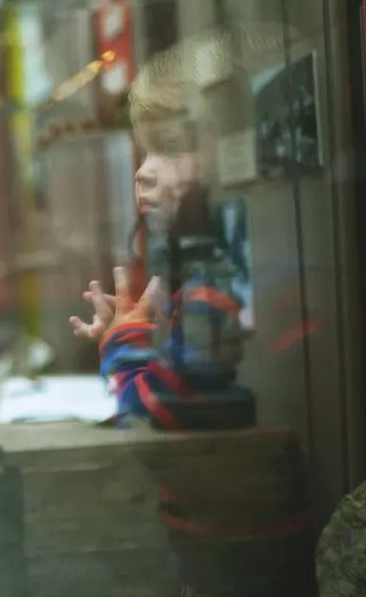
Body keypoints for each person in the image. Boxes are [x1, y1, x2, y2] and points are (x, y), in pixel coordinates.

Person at [68, 25, 314, 597]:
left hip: (233, 534)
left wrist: (123, 343)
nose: (143, 170)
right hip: (217, 521)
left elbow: (159, 416)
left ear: (229, 153)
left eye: (172, 147)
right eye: (145, 148)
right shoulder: (204, 274)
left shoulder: (215, 282)